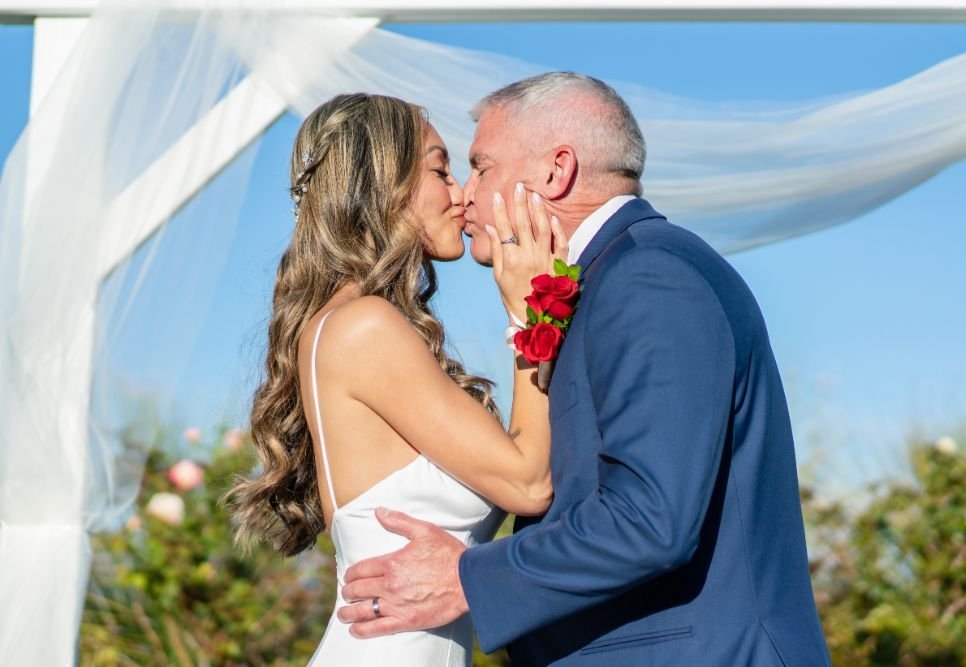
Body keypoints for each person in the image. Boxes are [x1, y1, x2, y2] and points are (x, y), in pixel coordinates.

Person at [338, 73, 832, 665]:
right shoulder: (611, 279)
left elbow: (651, 518)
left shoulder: (649, 278)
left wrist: (468, 579)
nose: (466, 194)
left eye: (482, 166)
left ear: (555, 171)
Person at [225, 92, 567, 666]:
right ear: (383, 180)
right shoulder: (364, 327)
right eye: (440, 169)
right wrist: (533, 309)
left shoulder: (344, 324)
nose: (462, 195)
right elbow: (529, 484)